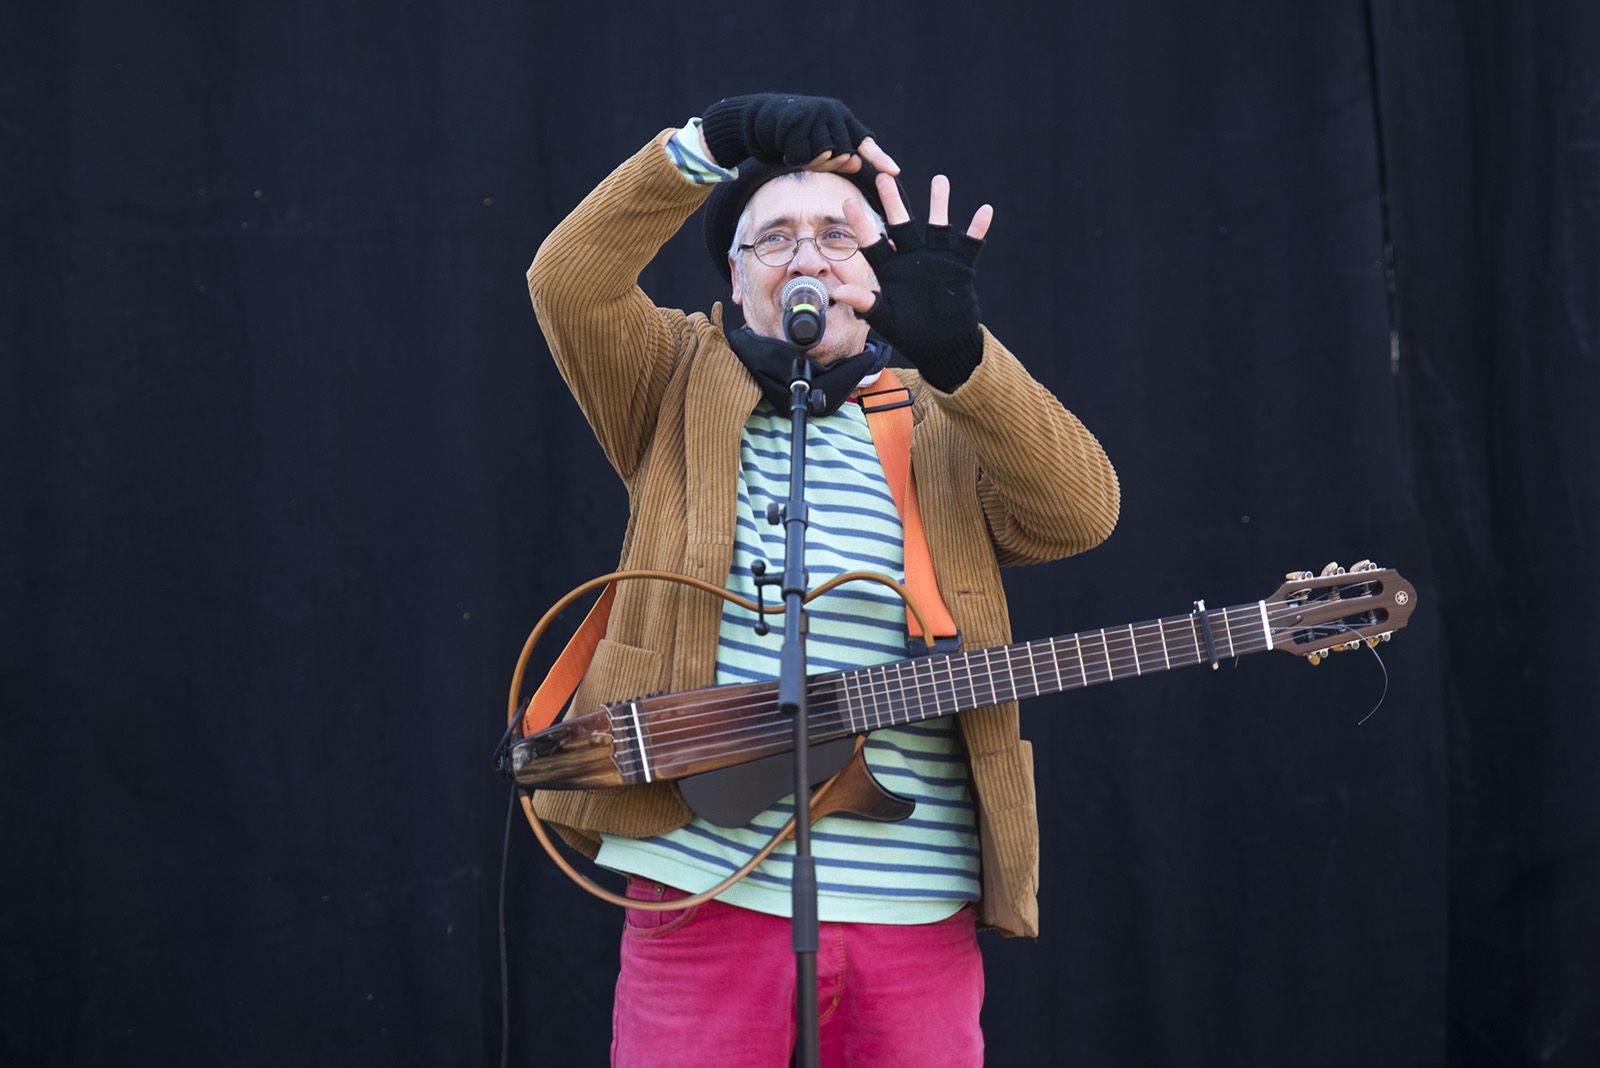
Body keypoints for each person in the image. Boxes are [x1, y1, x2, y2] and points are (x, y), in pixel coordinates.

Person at [526, 93, 1119, 1066]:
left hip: (915, 912)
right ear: (736, 274)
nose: (806, 254)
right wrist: (710, 142)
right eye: (774, 238)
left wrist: (964, 358)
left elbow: (1081, 512)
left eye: (838, 234)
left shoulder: (940, 416)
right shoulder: (672, 377)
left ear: (877, 269)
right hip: (701, 896)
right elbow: (568, 281)